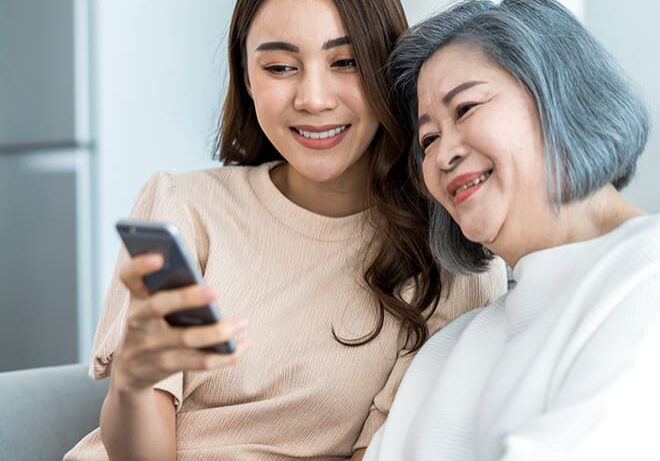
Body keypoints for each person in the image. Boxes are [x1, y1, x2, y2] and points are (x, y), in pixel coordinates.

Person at [64, 1, 506, 460]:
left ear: (388, 70)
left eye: (346, 62)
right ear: (247, 77)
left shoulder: (449, 259)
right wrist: (134, 384)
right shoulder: (183, 207)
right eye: (279, 67)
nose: (313, 99)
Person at [364, 0, 660, 460]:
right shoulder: (448, 350)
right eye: (428, 139)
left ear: (557, 94)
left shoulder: (646, 271)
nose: (441, 156)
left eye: (465, 108)